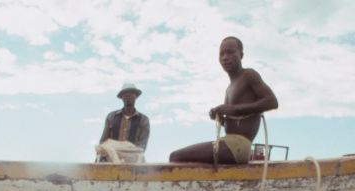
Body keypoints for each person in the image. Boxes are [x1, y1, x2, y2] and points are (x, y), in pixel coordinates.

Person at [169, 36, 278, 165]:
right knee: (181, 158)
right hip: (229, 142)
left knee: (175, 156)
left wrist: (234, 109)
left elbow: (272, 101)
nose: (225, 57)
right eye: (222, 54)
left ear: (241, 55)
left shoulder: (249, 75)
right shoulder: (228, 88)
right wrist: (220, 119)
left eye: (230, 52)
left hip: (239, 145)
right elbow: (236, 122)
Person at [96, 83, 151, 163]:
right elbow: (103, 142)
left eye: (131, 94)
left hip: (133, 160)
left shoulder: (143, 120)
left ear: (136, 96)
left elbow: (142, 147)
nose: (128, 96)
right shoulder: (111, 117)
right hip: (110, 159)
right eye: (125, 94)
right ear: (122, 97)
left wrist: (127, 154)